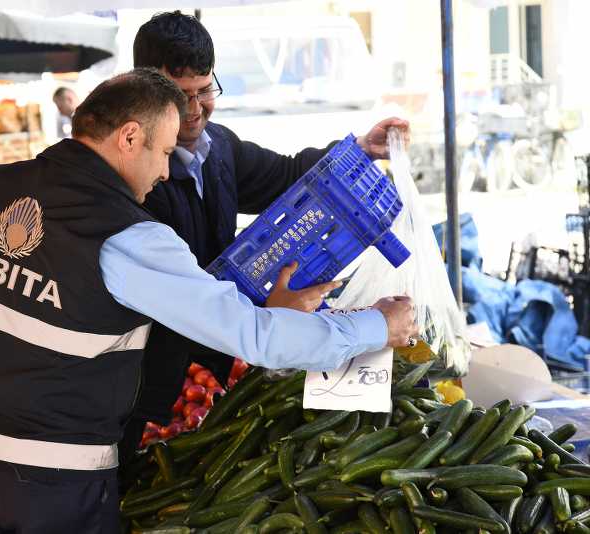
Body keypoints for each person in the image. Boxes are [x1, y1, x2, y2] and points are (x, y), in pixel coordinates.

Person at [0, 68, 417, 532]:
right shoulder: (128, 239)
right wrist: (375, 327)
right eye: (163, 152)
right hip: (49, 472)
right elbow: (254, 336)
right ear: (130, 137)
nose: (165, 172)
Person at [119, 11, 412, 463]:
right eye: (181, 97)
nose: (195, 111)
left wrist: (357, 149)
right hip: (150, 382)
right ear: (145, 91)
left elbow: (288, 174)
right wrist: (268, 322)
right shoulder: (134, 183)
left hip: (221, 362)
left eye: (205, 91)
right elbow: (183, 304)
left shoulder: (219, 148)